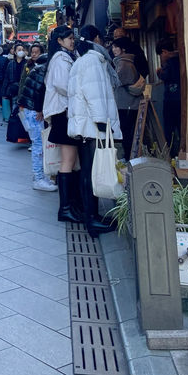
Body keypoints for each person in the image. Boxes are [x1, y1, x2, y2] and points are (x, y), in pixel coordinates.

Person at [67, 28, 122, 237]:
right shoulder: (92, 62)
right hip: (93, 126)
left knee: (88, 171)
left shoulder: (81, 61)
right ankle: (92, 219)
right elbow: (95, 94)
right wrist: (101, 123)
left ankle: (93, 216)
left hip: (85, 125)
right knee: (93, 171)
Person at [43, 26, 82, 221]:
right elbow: (62, 85)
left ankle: (70, 206)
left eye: (73, 38)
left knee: (71, 160)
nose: (72, 41)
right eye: (68, 38)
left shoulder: (64, 56)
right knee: (68, 161)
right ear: (59, 40)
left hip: (64, 113)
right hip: (63, 113)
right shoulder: (60, 59)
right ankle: (65, 208)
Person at [17, 49, 57, 191]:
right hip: (33, 111)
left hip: (29, 109)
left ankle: (41, 176)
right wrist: (39, 109)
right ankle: (38, 178)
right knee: (38, 145)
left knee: (38, 144)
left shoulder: (36, 69)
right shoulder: (42, 71)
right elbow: (40, 92)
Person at [111, 36, 144, 160]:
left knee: (126, 132)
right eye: (113, 47)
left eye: (116, 47)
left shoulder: (123, 64)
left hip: (127, 105)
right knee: (128, 132)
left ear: (123, 49)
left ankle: (129, 158)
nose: (113, 49)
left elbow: (116, 81)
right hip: (129, 104)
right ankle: (130, 157)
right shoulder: (124, 62)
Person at [156, 37, 181, 155]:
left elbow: (165, 76)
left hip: (171, 100)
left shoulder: (169, 62)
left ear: (164, 52)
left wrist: (158, 72)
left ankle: (171, 155)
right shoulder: (181, 59)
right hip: (181, 100)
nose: (160, 56)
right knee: (181, 129)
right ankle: (182, 153)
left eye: (160, 54)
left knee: (169, 130)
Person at [2, 43, 27, 109]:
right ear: (15, 52)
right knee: (14, 107)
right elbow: (6, 78)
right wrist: (4, 92)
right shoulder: (10, 63)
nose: (21, 51)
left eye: (22, 50)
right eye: (19, 50)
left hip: (24, 90)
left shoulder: (27, 63)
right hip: (14, 89)